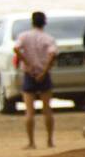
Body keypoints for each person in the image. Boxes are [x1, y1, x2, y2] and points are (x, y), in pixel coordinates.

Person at [13, 11, 58, 148]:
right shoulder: (48, 38)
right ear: (44, 22)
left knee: (29, 111)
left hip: (29, 73)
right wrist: (44, 71)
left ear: (32, 22)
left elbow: (16, 48)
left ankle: (31, 142)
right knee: (47, 109)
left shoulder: (24, 36)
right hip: (43, 74)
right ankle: (49, 140)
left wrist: (26, 62)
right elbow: (52, 54)